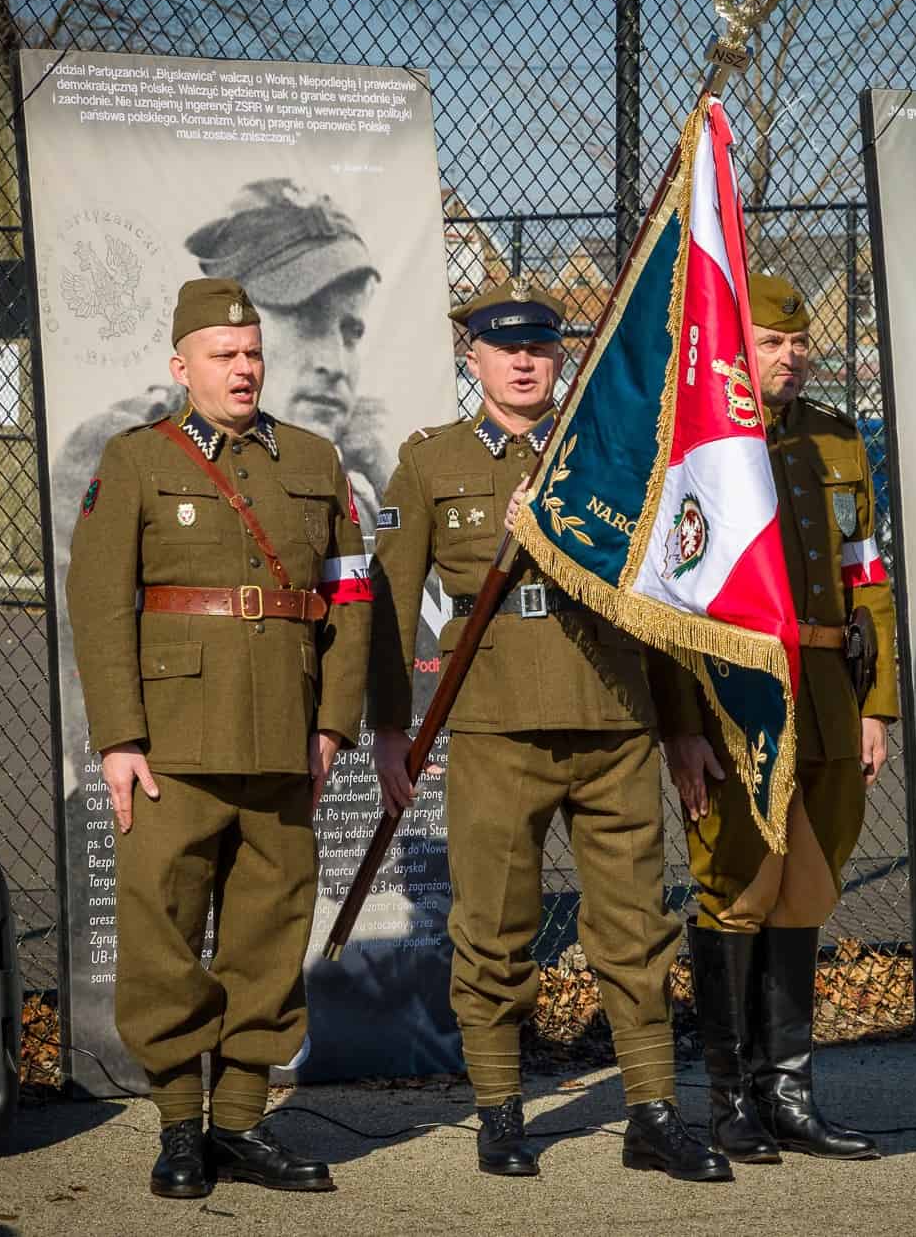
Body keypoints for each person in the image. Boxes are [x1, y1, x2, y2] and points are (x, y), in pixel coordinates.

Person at [367, 278, 730, 1184]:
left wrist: (682, 726)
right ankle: (499, 1112)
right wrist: (387, 729)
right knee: (494, 928)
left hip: (614, 717)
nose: (524, 363)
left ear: (562, 356)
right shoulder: (432, 462)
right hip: (497, 726)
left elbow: (662, 596)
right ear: (474, 358)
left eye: (539, 347)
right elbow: (389, 603)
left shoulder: (611, 453)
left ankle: (652, 1113)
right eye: (505, 348)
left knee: (636, 927)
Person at [67, 277, 372, 1200]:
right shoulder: (134, 460)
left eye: (252, 353)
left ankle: (239, 1124)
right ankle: (178, 1128)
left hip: (285, 736)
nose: (243, 368)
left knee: (268, 933)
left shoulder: (314, 459)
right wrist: (119, 738)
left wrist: (333, 723)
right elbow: (98, 603)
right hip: (173, 744)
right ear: (181, 366)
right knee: (163, 931)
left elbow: (352, 600)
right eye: (223, 355)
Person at [654, 273, 896, 1165]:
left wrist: (876, 704)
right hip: (737, 698)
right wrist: (682, 727)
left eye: (799, 343)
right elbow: (669, 597)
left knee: (809, 888)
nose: (790, 356)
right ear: (733, 347)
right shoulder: (696, 445)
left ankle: (787, 1096)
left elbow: (867, 570)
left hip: (829, 692)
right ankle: (728, 1103)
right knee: (739, 888)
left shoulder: (835, 438)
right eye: (770, 342)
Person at [186, 179, 390, 525]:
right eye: (306, 321)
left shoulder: (363, 497)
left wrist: (383, 472)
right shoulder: (137, 465)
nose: (336, 365)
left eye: (351, 332)